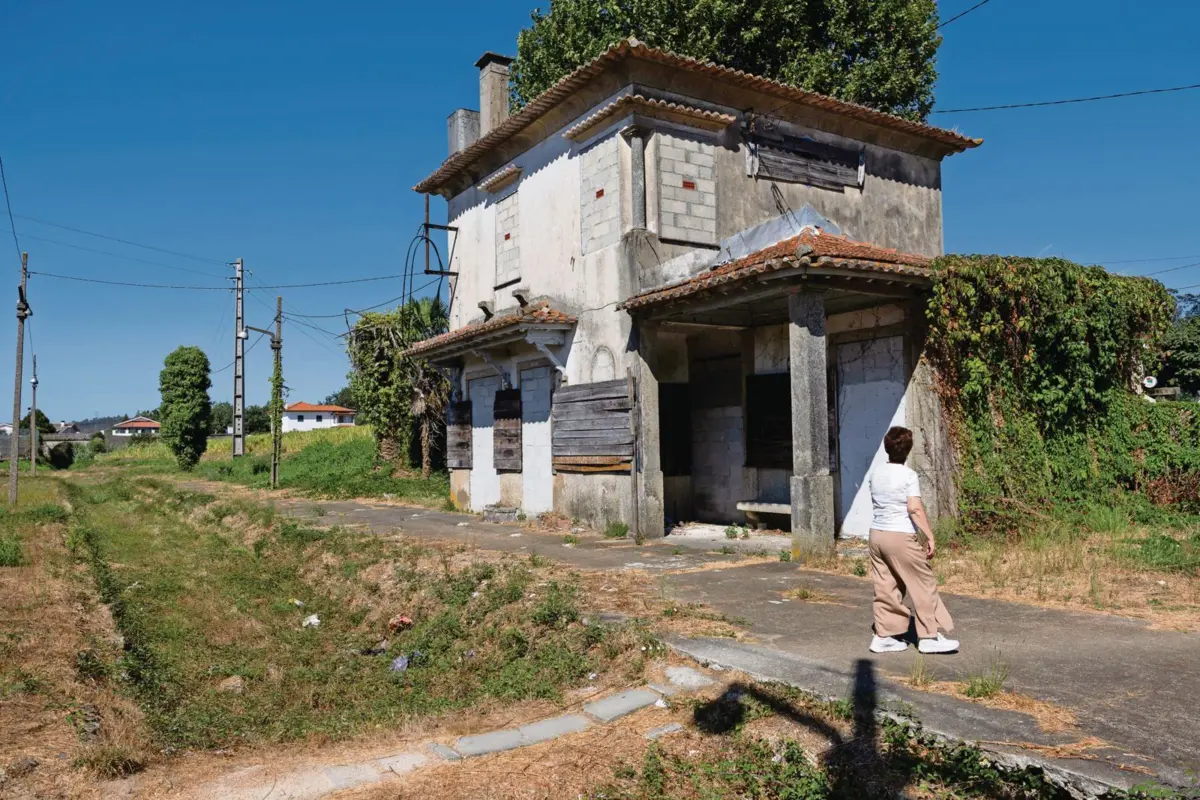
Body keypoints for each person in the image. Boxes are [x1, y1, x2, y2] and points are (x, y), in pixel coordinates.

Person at [866, 426, 959, 655]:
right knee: (924, 583)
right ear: (908, 450)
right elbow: (914, 509)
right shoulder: (908, 475)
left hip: (877, 534)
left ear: (886, 448)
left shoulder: (875, 473)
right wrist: (930, 535)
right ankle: (929, 636)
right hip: (900, 535)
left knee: (886, 585)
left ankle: (884, 636)